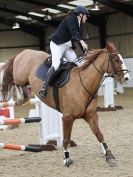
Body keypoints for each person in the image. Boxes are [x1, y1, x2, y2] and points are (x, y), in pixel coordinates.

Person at [39, 5, 89, 98]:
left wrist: (85, 51)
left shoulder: (80, 25)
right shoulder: (70, 18)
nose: (87, 18)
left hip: (67, 46)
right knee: (56, 64)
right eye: (86, 15)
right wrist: (83, 42)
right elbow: (74, 32)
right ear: (81, 14)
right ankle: (44, 88)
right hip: (57, 44)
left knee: (79, 64)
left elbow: (79, 39)